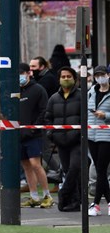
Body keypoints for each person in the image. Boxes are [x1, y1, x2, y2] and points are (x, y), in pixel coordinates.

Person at [45, 67, 83, 212]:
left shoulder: (81, 96)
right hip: (61, 141)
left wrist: (79, 134)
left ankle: (64, 194)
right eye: (63, 76)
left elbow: (84, 117)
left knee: (74, 168)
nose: (66, 79)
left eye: (69, 76)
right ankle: (74, 202)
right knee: (67, 170)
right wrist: (51, 134)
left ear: (74, 78)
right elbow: (48, 118)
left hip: (77, 141)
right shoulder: (53, 98)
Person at [18, 62, 53, 207]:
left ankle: (47, 195)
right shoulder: (15, 92)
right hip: (19, 135)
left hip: (34, 134)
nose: (19, 77)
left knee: (35, 164)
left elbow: (43, 110)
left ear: (28, 73)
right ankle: (33, 196)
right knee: (26, 165)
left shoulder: (38, 90)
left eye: (21, 74)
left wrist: (34, 128)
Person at [88, 66, 110, 216]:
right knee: (99, 169)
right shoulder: (91, 91)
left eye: (102, 74)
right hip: (92, 135)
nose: (100, 77)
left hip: (106, 135)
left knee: (101, 169)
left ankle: (96, 204)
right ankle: (107, 203)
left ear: (108, 75)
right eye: (97, 75)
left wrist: (106, 115)